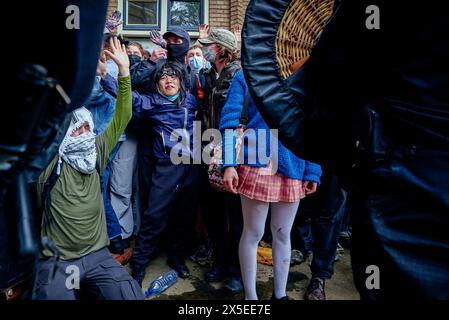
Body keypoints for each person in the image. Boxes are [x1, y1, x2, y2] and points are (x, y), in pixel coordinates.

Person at [242, 0, 449, 299]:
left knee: (326, 219)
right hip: (378, 163)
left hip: (395, 182)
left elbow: (331, 74)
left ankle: (319, 277)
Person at [32, 37, 144, 300]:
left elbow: (123, 114)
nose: (84, 133)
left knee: (130, 294)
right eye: (77, 129)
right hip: (59, 261)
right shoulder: (47, 163)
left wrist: (125, 72)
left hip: (98, 257)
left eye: (87, 128)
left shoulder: (97, 152)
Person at [220, 70, 322, 300]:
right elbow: (229, 121)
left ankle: (280, 294)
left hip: (293, 165)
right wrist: (228, 164)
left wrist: (313, 170)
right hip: (256, 162)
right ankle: (251, 297)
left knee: (283, 233)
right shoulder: (244, 75)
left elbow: (314, 128)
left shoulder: (307, 77)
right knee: (253, 232)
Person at [101, 59, 201, 286]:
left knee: (184, 216)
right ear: (156, 84)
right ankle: (139, 265)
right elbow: (125, 97)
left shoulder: (191, 100)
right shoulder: (151, 102)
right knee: (154, 216)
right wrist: (107, 75)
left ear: (181, 80)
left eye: (173, 76)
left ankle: (177, 259)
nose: (169, 81)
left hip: (193, 166)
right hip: (167, 166)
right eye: (163, 77)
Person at [196, 28, 244, 294]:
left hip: (233, 150)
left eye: (210, 45)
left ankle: (236, 271)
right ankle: (220, 261)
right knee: (213, 210)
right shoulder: (206, 74)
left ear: (223, 48)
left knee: (235, 214)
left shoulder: (238, 73)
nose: (205, 49)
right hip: (207, 146)